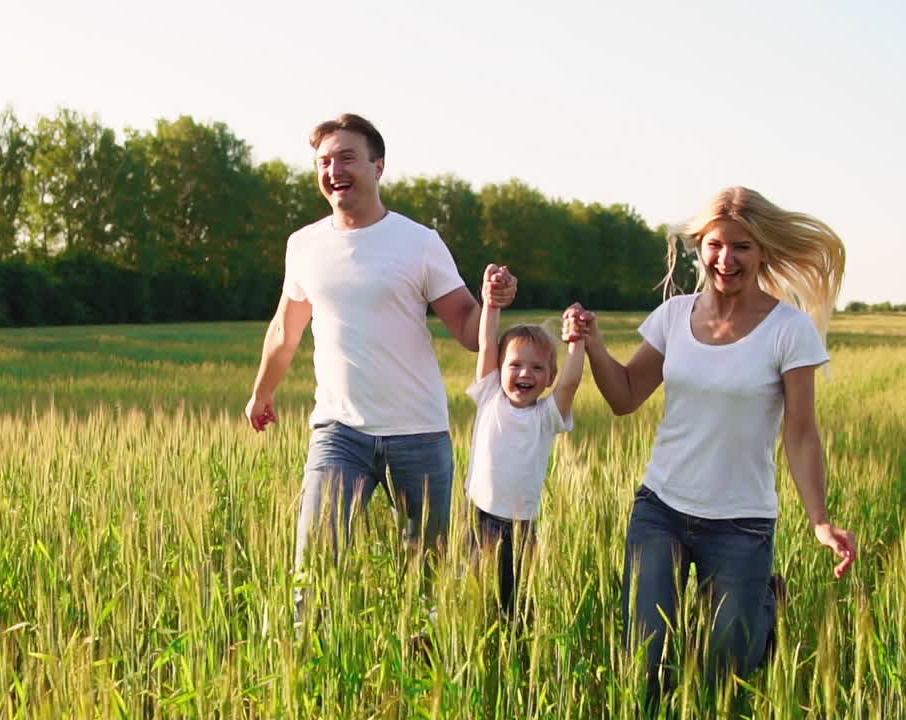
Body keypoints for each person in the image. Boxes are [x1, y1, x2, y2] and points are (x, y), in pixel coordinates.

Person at [566, 186, 858, 703]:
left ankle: (763, 605)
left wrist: (819, 519)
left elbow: (802, 432)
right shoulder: (673, 316)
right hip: (661, 509)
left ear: (763, 249)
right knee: (647, 664)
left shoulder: (788, 330)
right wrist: (593, 346)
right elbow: (626, 396)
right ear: (699, 247)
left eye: (742, 246)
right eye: (716, 245)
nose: (727, 259)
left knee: (729, 673)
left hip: (742, 522)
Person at [244, 114, 516, 616]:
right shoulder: (304, 245)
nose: (333, 170)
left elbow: (465, 326)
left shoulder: (419, 242)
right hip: (338, 432)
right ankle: (307, 675)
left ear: (378, 166)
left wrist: (493, 303)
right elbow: (286, 328)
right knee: (315, 570)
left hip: (419, 433)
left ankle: (423, 676)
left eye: (346, 158)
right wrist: (262, 392)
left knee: (427, 583)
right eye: (323, 162)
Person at [464, 264, 585, 617]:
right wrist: (491, 303)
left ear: (549, 378)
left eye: (536, 368)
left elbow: (571, 384)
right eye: (515, 365)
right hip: (478, 516)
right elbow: (487, 343)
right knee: (469, 595)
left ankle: (515, 652)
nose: (524, 374)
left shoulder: (547, 417)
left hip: (522, 526)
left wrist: (575, 341)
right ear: (499, 369)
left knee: (516, 604)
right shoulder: (490, 396)